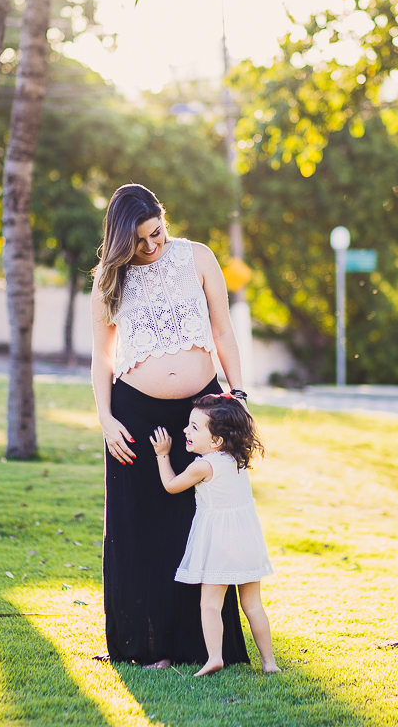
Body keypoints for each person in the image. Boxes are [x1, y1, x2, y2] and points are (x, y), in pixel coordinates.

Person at [92, 183, 250, 669]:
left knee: (203, 526)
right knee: (139, 529)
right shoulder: (108, 279)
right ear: (120, 240)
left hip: (203, 416)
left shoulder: (198, 257)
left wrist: (238, 396)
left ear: (164, 218)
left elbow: (223, 330)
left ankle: (203, 646)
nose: (151, 246)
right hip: (135, 415)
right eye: (138, 241)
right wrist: (106, 420)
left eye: (155, 232)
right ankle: (145, 646)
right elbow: (102, 358)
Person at [150, 394, 279, 677]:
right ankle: (269, 663)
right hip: (247, 537)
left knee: (210, 603)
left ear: (216, 440)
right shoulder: (234, 458)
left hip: (218, 542)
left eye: (194, 427)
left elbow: (171, 486)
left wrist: (162, 454)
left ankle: (214, 657)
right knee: (252, 604)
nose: (186, 430)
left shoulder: (202, 465)